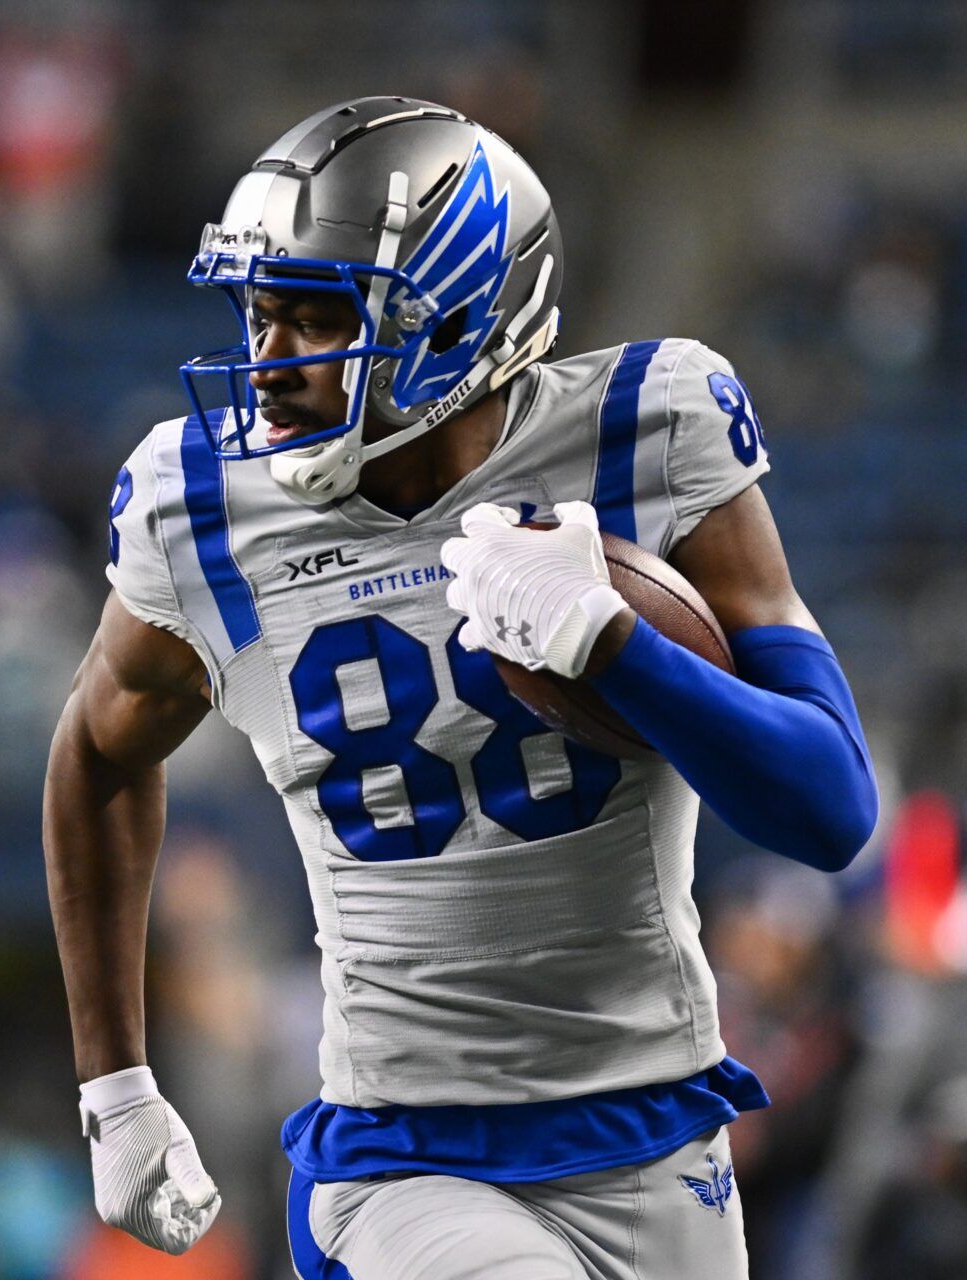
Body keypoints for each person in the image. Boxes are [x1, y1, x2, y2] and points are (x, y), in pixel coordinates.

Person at [43, 98, 877, 1279]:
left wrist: (611, 644)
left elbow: (830, 808)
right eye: (259, 314)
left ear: (454, 323)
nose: (267, 361)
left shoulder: (648, 431)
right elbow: (97, 751)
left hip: (657, 1133)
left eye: (313, 318)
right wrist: (116, 1083)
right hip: (405, 1157)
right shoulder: (203, 510)